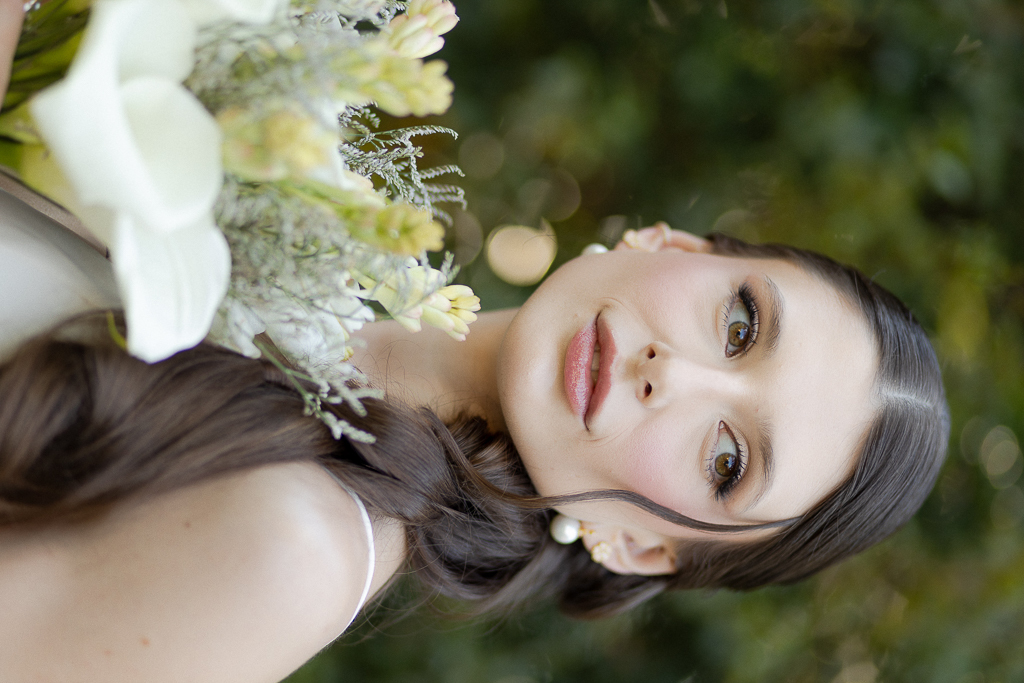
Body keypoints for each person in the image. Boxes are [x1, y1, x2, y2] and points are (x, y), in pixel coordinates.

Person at [0, 9, 949, 683]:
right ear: (673, 244)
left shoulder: (300, 547)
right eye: (740, 325)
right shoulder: (292, 196)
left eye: (727, 458)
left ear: (637, 547)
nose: (675, 373)